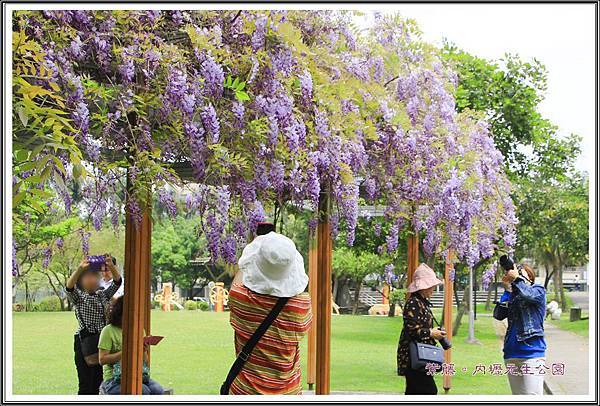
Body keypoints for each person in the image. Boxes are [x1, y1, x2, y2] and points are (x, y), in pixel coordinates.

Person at [226, 231, 312, 395]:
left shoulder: (241, 299)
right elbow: (296, 290)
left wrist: (254, 252)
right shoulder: (301, 305)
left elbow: (240, 278)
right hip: (288, 393)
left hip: (245, 392)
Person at [65, 254, 122, 395]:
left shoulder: (102, 295)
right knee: (85, 383)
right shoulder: (79, 297)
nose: (93, 279)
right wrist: (79, 269)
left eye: (95, 276)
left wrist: (111, 266)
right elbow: (69, 287)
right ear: (81, 281)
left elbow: (117, 282)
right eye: (88, 276)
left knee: (98, 381)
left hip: (101, 342)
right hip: (84, 342)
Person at [494, 263, 547, 395]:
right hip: (511, 354)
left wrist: (517, 279)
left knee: (532, 396)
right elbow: (499, 315)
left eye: (519, 272)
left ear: (530, 276)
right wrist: (507, 290)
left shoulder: (538, 290)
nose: (515, 274)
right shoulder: (513, 295)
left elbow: (528, 295)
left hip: (532, 354)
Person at [98, 296, 164, 395]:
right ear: (120, 313)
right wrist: (127, 352)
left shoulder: (139, 330)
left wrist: (143, 350)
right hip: (113, 379)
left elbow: (145, 362)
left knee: (158, 390)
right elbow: (102, 360)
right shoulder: (108, 331)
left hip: (138, 375)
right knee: (142, 391)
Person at [397, 263, 445, 395]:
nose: (433, 289)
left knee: (414, 391)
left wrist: (433, 331)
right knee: (428, 391)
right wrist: (431, 333)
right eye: (431, 286)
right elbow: (412, 330)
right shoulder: (413, 303)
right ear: (423, 287)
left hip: (420, 357)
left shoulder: (421, 302)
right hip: (414, 357)